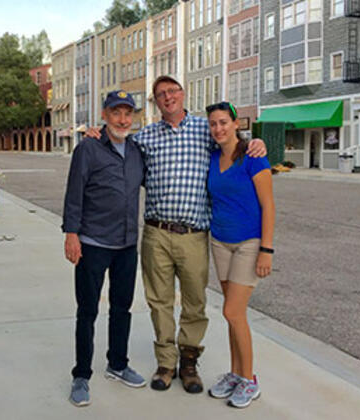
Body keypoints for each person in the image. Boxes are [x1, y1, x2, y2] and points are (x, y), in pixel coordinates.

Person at [86, 76, 266, 394]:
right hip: (156, 233)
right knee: (160, 301)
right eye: (160, 95)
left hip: (194, 233)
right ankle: (166, 363)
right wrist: (96, 134)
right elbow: (117, 142)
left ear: (182, 94)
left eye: (172, 91)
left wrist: (256, 142)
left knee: (195, 301)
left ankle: (189, 361)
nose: (167, 97)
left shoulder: (204, 129)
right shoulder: (146, 137)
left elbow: (230, 140)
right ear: (156, 102)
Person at [62, 90, 147, 407]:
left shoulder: (138, 151)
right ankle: (81, 375)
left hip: (126, 244)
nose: (123, 119)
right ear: (105, 114)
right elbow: (74, 194)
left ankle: (118, 363)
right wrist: (71, 233)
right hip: (93, 243)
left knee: (122, 308)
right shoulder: (88, 149)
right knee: (87, 312)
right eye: (116, 113)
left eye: (128, 113)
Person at [205, 101, 275, 408]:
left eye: (223, 122)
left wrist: (266, 250)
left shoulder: (253, 157)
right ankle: (235, 374)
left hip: (248, 242)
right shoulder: (211, 157)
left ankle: (250, 380)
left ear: (236, 123)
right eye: (213, 124)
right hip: (220, 242)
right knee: (235, 316)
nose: (218, 128)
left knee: (232, 312)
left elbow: (269, 206)